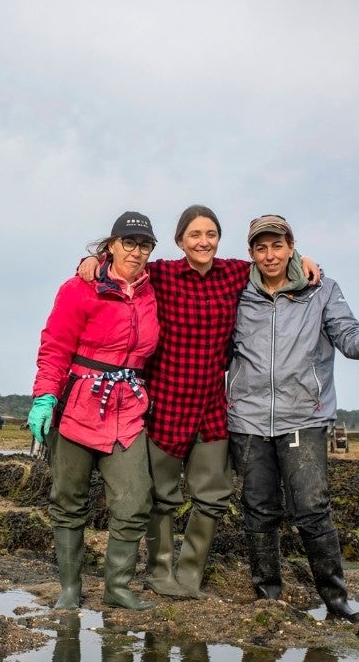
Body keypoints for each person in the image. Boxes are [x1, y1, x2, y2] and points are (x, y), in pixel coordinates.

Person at [77, 205, 320, 599]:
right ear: (179, 242)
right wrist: (93, 259)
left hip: (211, 407)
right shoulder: (164, 275)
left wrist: (304, 259)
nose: (203, 241)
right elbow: (123, 266)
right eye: (194, 235)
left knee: (213, 496)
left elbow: (274, 263)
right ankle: (159, 573)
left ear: (218, 240)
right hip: (167, 405)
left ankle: (188, 574)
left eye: (210, 234)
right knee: (162, 498)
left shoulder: (234, 274)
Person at [227, 214, 359, 622]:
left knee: (311, 509)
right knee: (258, 509)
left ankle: (336, 603)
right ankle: (267, 599)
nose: (269, 255)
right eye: (260, 247)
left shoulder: (321, 289)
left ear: (291, 246)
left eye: (277, 245)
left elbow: (349, 337)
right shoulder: (236, 289)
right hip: (246, 420)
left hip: (303, 416)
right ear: (251, 252)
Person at [29, 211, 160, 611]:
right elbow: (54, 348)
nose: (136, 253)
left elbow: (205, 263)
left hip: (129, 407)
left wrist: (304, 262)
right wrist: (44, 397)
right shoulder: (79, 288)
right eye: (129, 243)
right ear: (111, 245)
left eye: (145, 246)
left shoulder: (157, 289)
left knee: (135, 500)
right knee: (68, 498)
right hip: (78, 405)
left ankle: (117, 587)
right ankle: (69, 587)